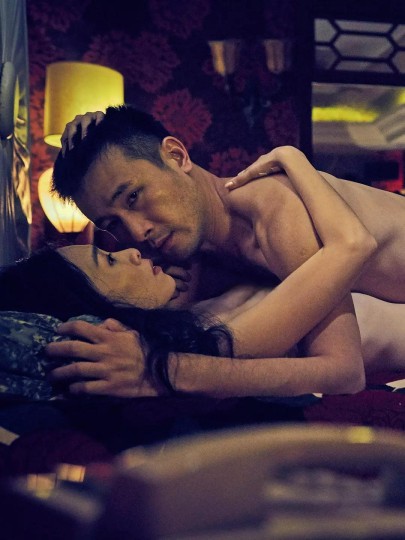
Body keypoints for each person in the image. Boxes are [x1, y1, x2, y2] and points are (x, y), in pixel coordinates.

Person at [45, 104, 405, 397]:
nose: (137, 233)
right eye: (113, 224)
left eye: (134, 196)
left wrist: (159, 373)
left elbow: (344, 371)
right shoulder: (194, 255)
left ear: (176, 156)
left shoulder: (276, 210)